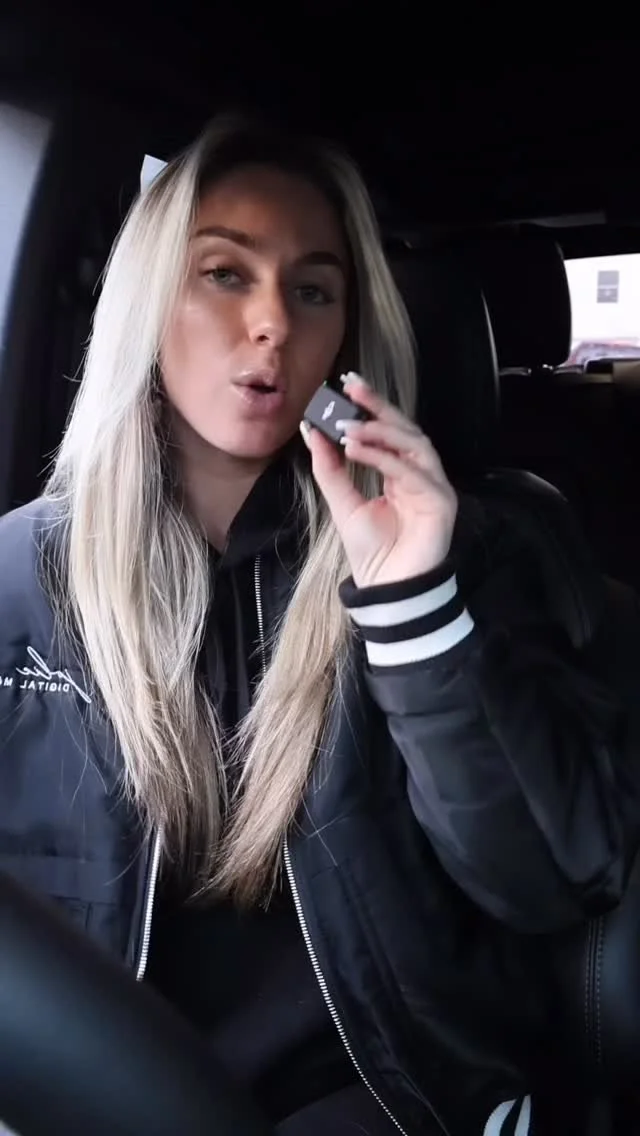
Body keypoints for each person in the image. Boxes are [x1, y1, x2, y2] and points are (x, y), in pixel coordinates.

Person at [0, 112, 637, 1136]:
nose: (271, 323)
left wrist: (412, 605)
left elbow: (551, 881)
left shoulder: (467, 552)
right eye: (224, 274)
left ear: (347, 331)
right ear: (146, 300)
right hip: (95, 1092)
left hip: (378, 1099)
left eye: (312, 290)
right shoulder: (19, 578)